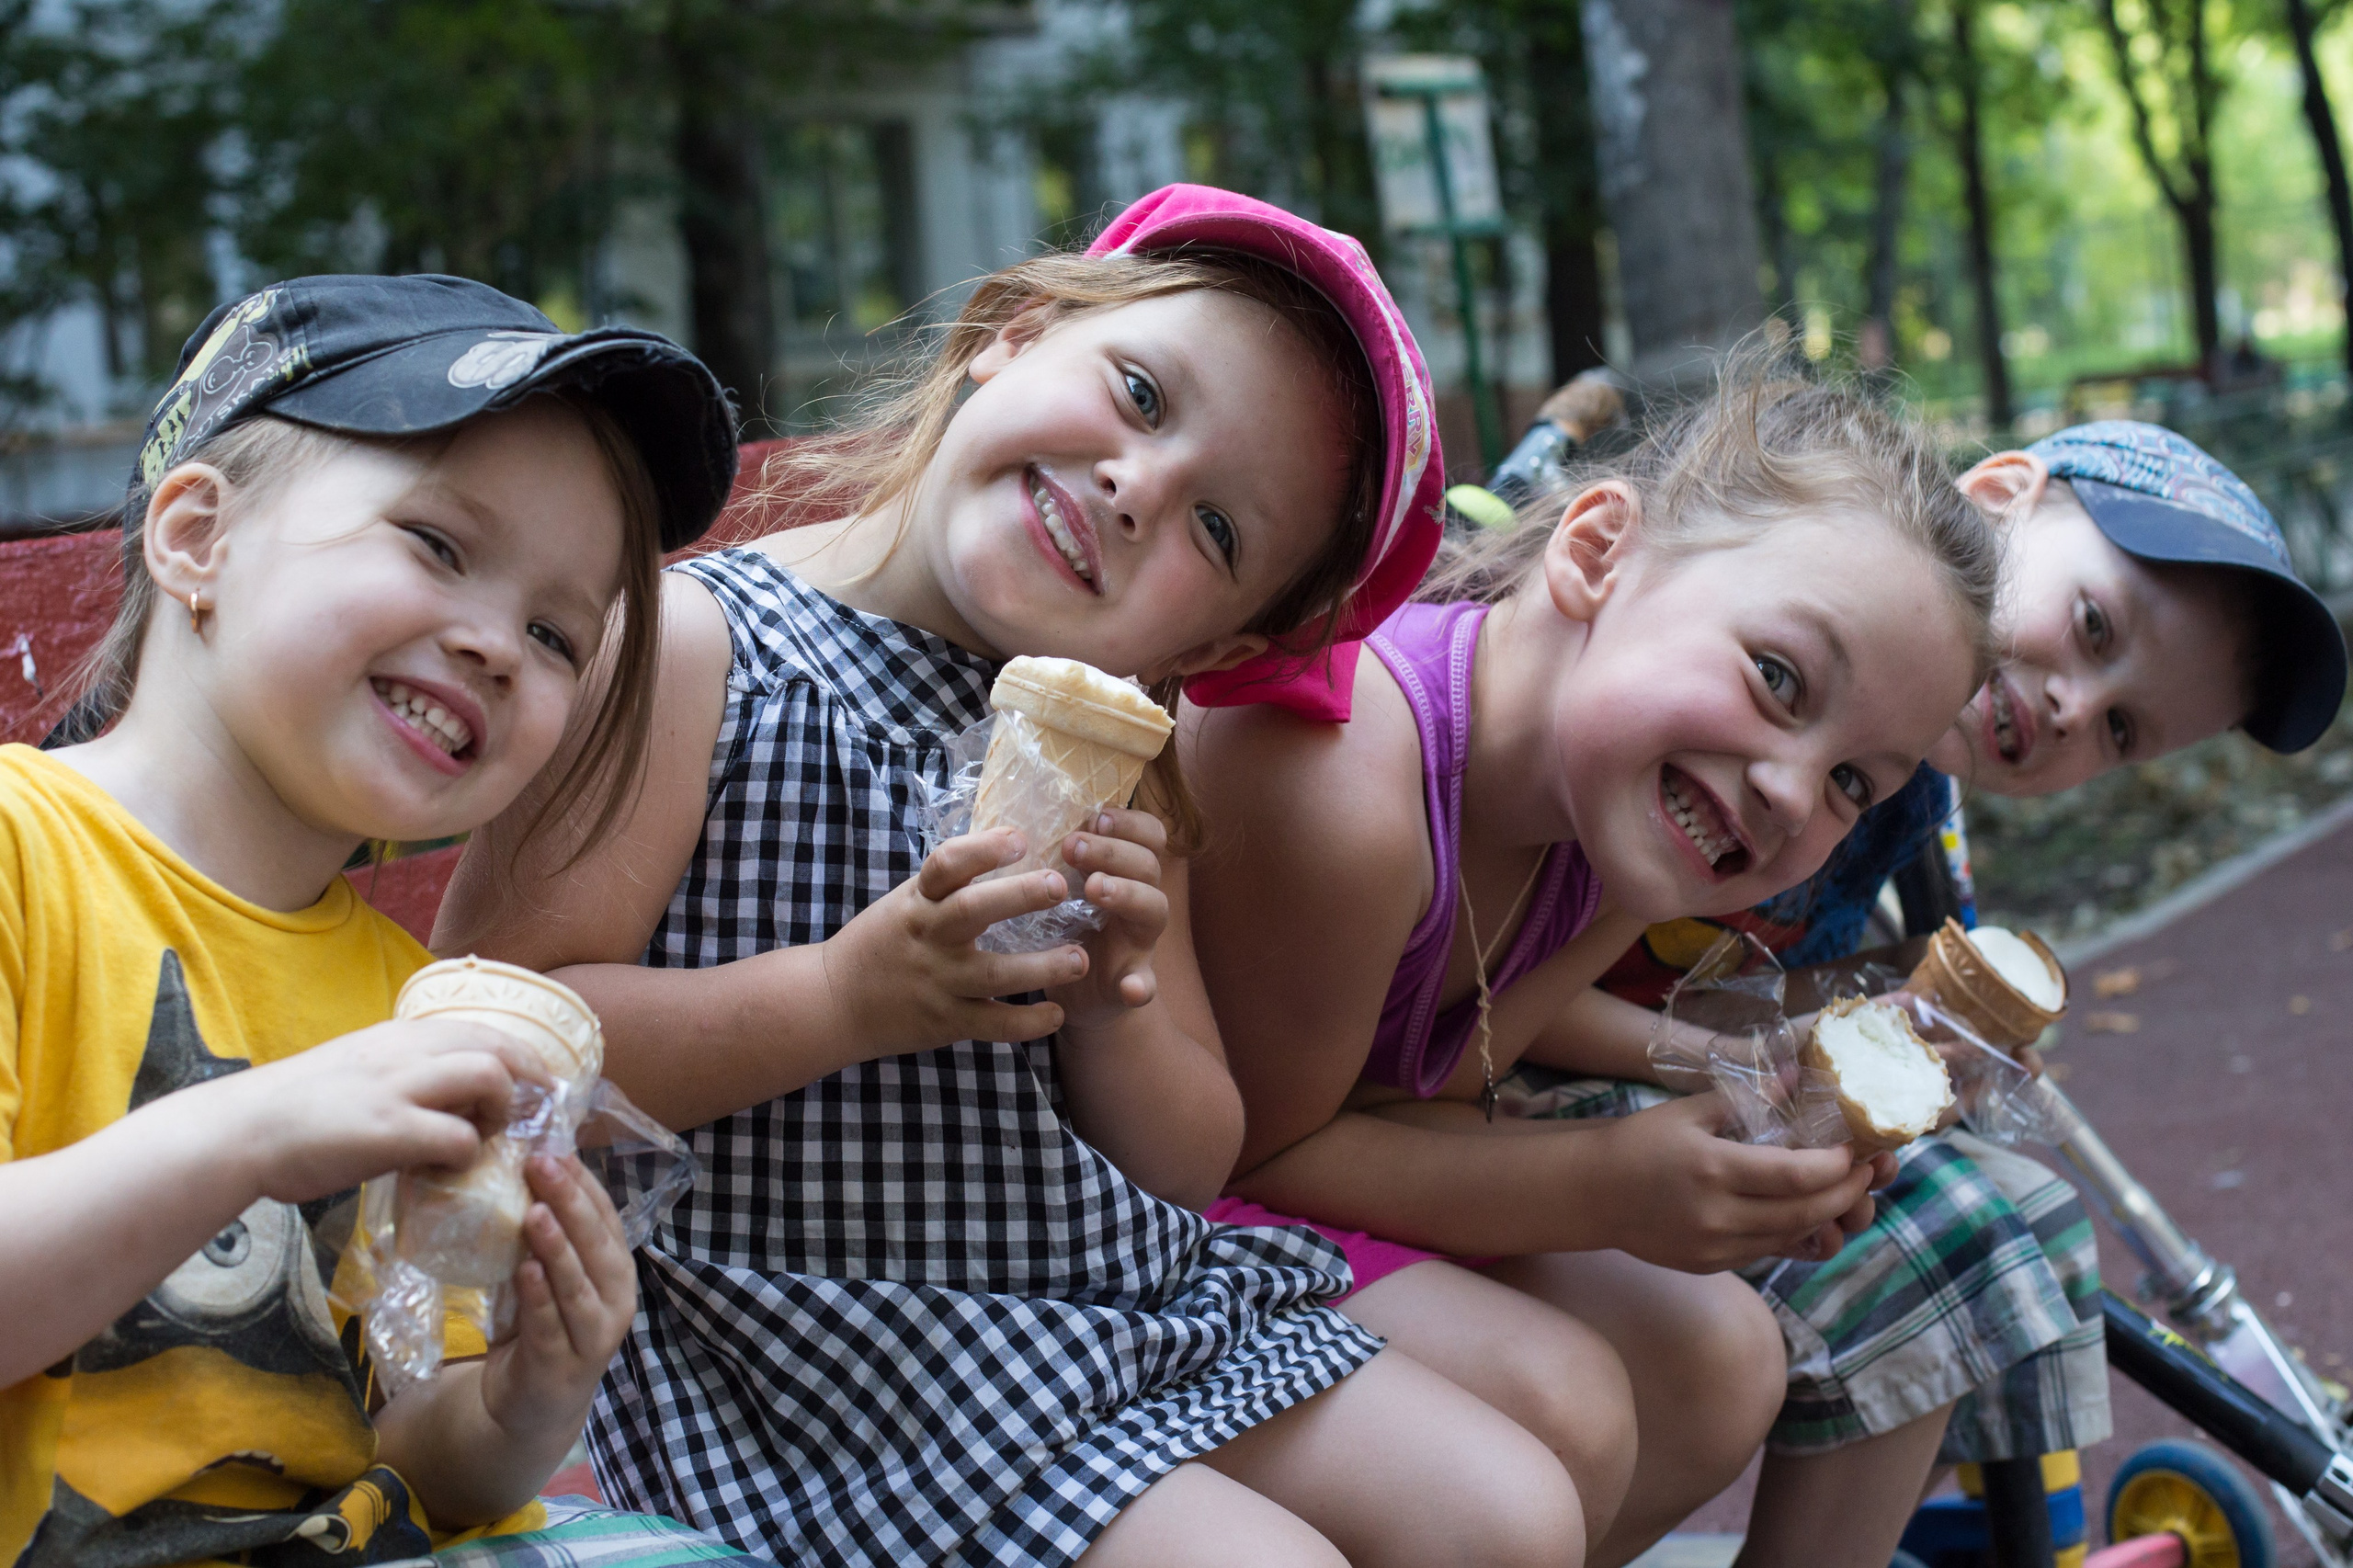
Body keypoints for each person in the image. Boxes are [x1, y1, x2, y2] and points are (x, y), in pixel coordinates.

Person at [436, 185, 1609, 1568]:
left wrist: (1119, 998)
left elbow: (1184, 1164)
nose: (1137, 486)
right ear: (1010, 331)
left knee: (1510, 1513)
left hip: (1091, 1312)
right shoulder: (698, 649)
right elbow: (494, 1042)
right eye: (1141, 394)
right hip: (814, 1361)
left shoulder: (1112, 745)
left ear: (1216, 646)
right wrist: (845, 995)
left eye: (1218, 533)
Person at [0, 275, 775, 1565]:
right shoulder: (25, 858)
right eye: (437, 544)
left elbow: (400, 1449)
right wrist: (258, 1126)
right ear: (198, 535)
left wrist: (526, 1396)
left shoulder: (418, 1003)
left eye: (555, 632)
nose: (497, 647)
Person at [1183, 355, 2005, 1568]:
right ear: (1599, 550)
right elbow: (1260, 1155)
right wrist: (1611, 1182)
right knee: (1558, 1400)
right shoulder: (1350, 779)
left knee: (1724, 1362)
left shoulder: (1618, 831)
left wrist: (1727, 1104)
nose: (1788, 792)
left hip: (1292, 1175)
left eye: (1851, 781)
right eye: (1780, 679)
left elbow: (1449, 1071)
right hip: (1136, 1214)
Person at [1521, 419, 2348, 1568]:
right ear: (2002, 494)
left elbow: (1739, 981)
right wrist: (1738, 1060)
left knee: (2015, 1217)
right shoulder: (1752, 705)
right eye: (2093, 626)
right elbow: (1512, 978)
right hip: (1492, 1065)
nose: (2072, 708)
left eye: (2118, 727)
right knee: (1948, 1234)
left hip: (1614, 1060)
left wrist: (1885, 1019)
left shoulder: (1898, 798)